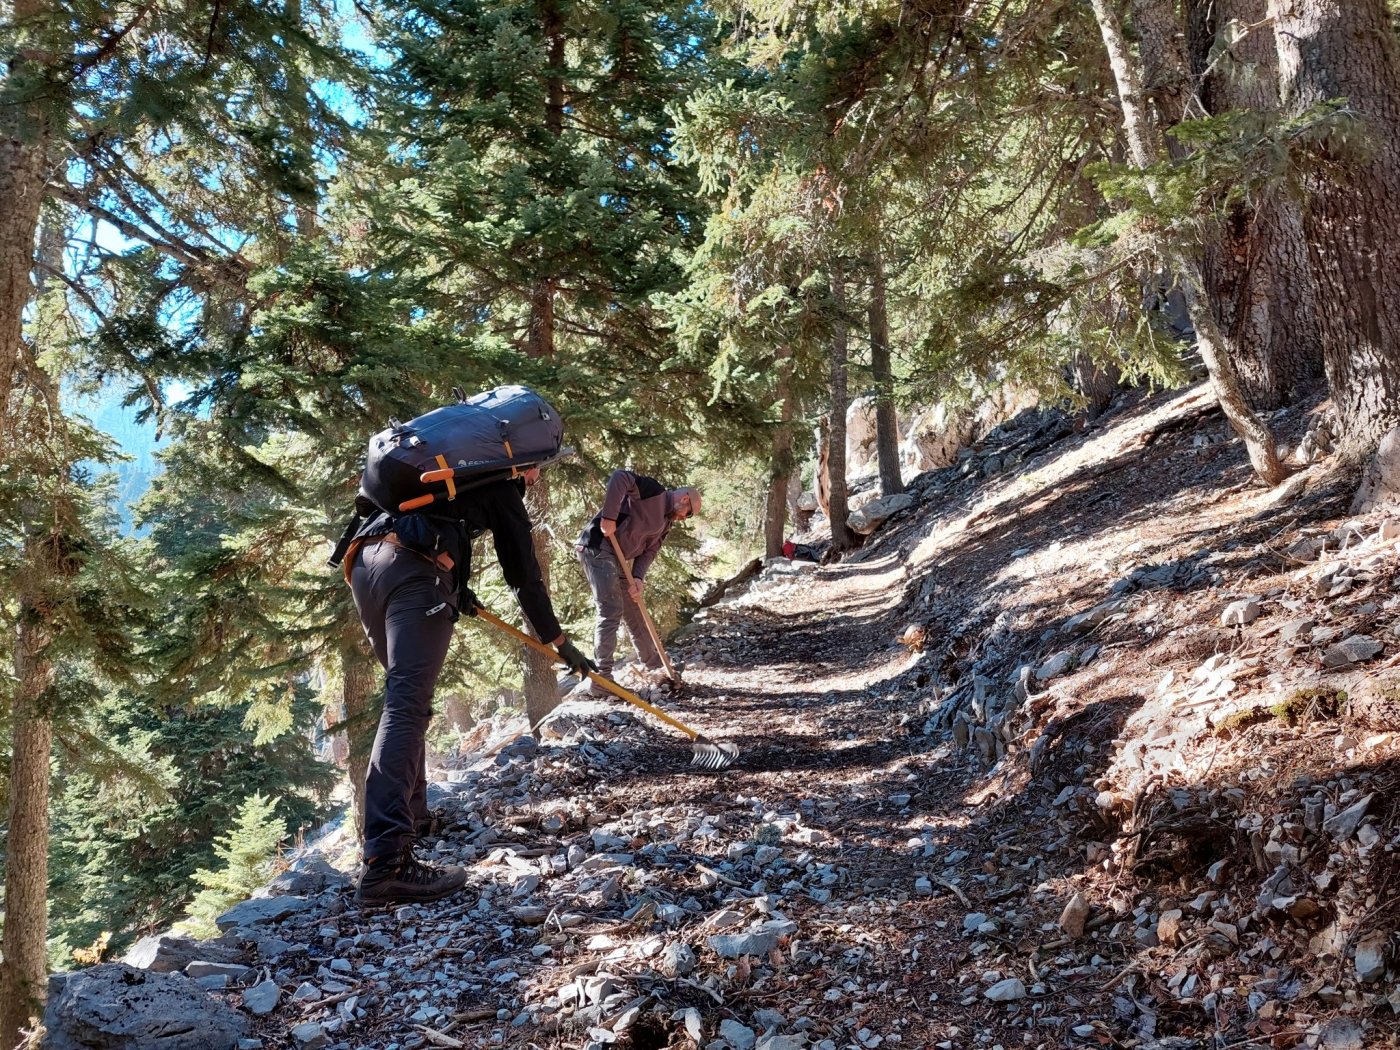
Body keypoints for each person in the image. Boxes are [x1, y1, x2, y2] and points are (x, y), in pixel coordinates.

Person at [343, 465, 595, 903]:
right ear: (522, 459)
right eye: (537, 467)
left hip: (366, 564)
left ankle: (414, 817)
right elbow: (525, 577)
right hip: (413, 573)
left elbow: (438, 525)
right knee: (406, 705)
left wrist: (458, 588)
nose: (535, 478)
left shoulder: (453, 477)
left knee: (407, 699)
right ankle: (386, 864)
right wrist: (558, 640)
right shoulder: (500, 484)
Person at [574, 471, 700, 692]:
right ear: (684, 499)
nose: (683, 519)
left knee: (633, 608)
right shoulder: (653, 491)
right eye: (686, 514)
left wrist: (638, 577)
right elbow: (620, 477)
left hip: (619, 558)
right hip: (597, 547)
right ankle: (601, 679)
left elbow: (649, 552)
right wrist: (609, 517)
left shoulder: (666, 524)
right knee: (610, 609)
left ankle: (655, 665)